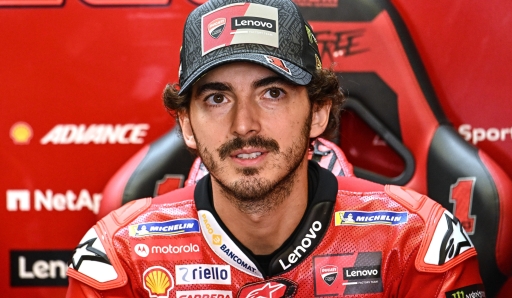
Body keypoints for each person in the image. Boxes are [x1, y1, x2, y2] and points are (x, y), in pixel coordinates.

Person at [66, 0, 486, 297]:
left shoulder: (417, 242)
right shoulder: (121, 257)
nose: (244, 124)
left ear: (319, 113)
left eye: (272, 94)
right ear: (186, 125)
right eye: (217, 98)